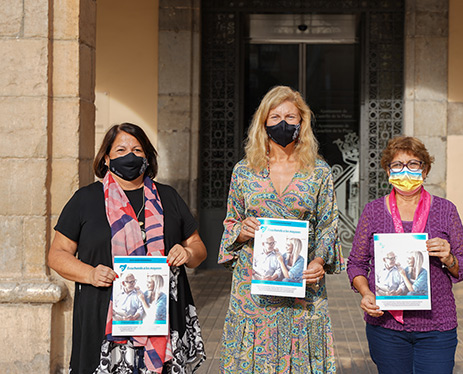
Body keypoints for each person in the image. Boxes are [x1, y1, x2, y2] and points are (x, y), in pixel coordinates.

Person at [48, 122, 206, 374]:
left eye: (137, 150)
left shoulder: (169, 197)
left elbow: (198, 249)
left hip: (162, 319)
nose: (130, 156)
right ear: (106, 158)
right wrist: (89, 273)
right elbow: (57, 255)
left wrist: (187, 253)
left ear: (147, 157)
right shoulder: (85, 199)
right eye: (120, 150)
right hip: (103, 319)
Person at [218, 85, 344, 373]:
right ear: (263, 123)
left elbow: (328, 225)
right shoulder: (244, 171)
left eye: (290, 116)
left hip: (302, 285)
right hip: (253, 287)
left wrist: (319, 260)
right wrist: (241, 229)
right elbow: (230, 223)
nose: (283, 123)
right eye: (275, 117)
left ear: (302, 123)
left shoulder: (319, 172)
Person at [347, 136, 463, 374]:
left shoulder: (446, 210)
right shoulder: (373, 211)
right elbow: (356, 263)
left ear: (425, 170)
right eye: (397, 165)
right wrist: (365, 293)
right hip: (386, 325)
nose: (405, 171)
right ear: (388, 170)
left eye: (413, 164)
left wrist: (449, 258)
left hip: (437, 325)